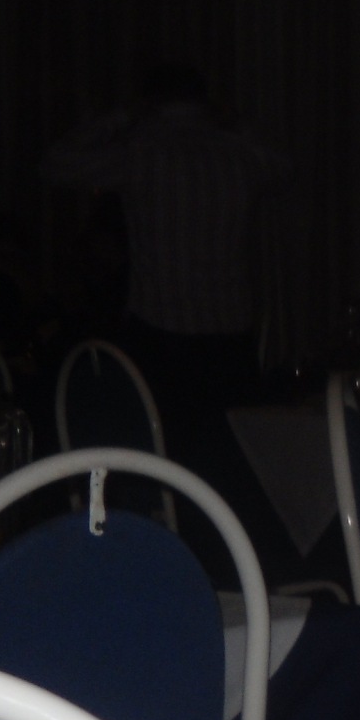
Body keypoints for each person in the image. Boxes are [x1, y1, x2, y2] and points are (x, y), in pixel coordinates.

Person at [40, 60, 288, 438]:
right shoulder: (238, 152)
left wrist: (122, 115)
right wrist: (238, 123)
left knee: (161, 448)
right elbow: (285, 168)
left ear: (151, 100)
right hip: (230, 338)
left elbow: (54, 163)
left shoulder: (142, 152)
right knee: (232, 450)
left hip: (160, 336)